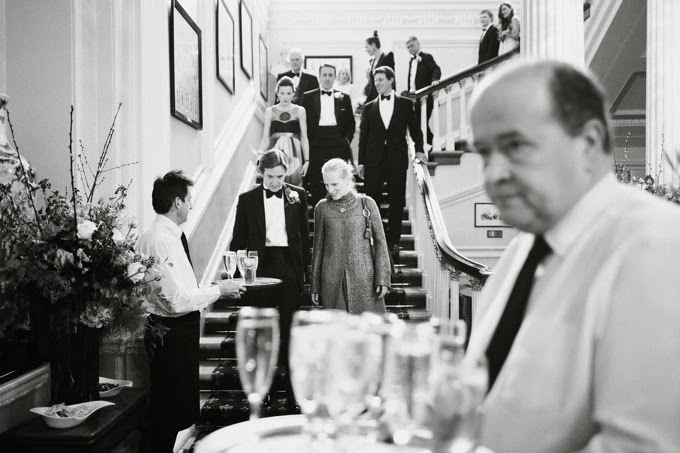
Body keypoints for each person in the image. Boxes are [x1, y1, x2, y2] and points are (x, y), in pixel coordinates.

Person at [460, 59, 680, 452]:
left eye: (516, 146)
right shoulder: (520, 253)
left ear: (589, 142)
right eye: (485, 153)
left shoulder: (656, 247)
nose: (492, 175)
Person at [136, 170, 245, 453]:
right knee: (167, 415)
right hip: (170, 333)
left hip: (174, 331)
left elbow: (180, 290)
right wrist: (219, 290)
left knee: (170, 413)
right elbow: (176, 301)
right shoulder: (160, 240)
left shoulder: (164, 236)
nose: (192, 204)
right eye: (189, 199)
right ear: (177, 202)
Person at [230, 149, 309, 369]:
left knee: (289, 325)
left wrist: (304, 274)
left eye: (280, 176)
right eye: (270, 176)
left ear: (286, 173)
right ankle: (262, 374)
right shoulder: (247, 200)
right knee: (261, 325)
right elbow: (238, 240)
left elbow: (304, 237)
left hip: (289, 264)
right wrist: (238, 279)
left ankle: (290, 377)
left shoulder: (298, 195)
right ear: (261, 172)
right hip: (259, 267)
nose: (275, 182)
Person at [358, 66, 424, 259]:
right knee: (372, 200)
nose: (377, 83)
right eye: (375, 80)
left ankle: (393, 240)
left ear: (390, 80)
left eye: (380, 79)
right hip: (373, 160)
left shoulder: (405, 104)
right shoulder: (369, 107)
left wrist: (420, 150)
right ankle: (373, 239)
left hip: (397, 159)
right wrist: (361, 162)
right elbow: (364, 137)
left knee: (396, 201)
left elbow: (415, 129)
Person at [311, 158, 390, 314]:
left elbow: (380, 243)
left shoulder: (367, 204)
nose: (330, 190)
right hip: (331, 281)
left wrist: (383, 278)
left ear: (347, 180)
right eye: (326, 185)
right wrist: (315, 285)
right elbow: (318, 249)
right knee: (338, 327)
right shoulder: (322, 208)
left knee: (366, 326)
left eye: (335, 184)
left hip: (365, 278)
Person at [301, 64, 356, 207]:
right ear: (319, 77)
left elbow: (351, 123)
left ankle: (339, 215)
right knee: (316, 181)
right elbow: (302, 122)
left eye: (330, 75)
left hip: (337, 141)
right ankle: (319, 213)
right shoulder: (308, 97)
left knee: (339, 181)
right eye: (324, 75)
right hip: (316, 142)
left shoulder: (344, 97)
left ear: (335, 77)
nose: (327, 78)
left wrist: (346, 141)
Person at [259, 76, 310, 186]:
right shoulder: (270, 111)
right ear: (277, 93)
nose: (285, 97)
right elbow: (265, 138)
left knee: (294, 185)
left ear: (293, 94)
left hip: (295, 153)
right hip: (275, 151)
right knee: (275, 182)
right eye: (282, 93)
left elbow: (304, 137)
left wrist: (307, 160)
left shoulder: (300, 110)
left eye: (288, 93)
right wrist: (260, 155)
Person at [405, 36, 441, 146]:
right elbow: (412, 80)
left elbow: (436, 69)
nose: (410, 49)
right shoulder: (411, 61)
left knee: (421, 123)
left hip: (426, 97)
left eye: (412, 46)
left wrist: (435, 80)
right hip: (415, 98)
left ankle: (434, 143)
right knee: (417, 123)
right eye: (408, 47)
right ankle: (432, 144)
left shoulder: (426, 57)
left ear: (418, 44)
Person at [364, 31, 395, 103]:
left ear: (373, 45)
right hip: (373, 97)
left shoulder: (387, 57)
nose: (366, 50)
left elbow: (391, 78)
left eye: (367, 47)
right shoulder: (372, 61)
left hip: (384, 96)